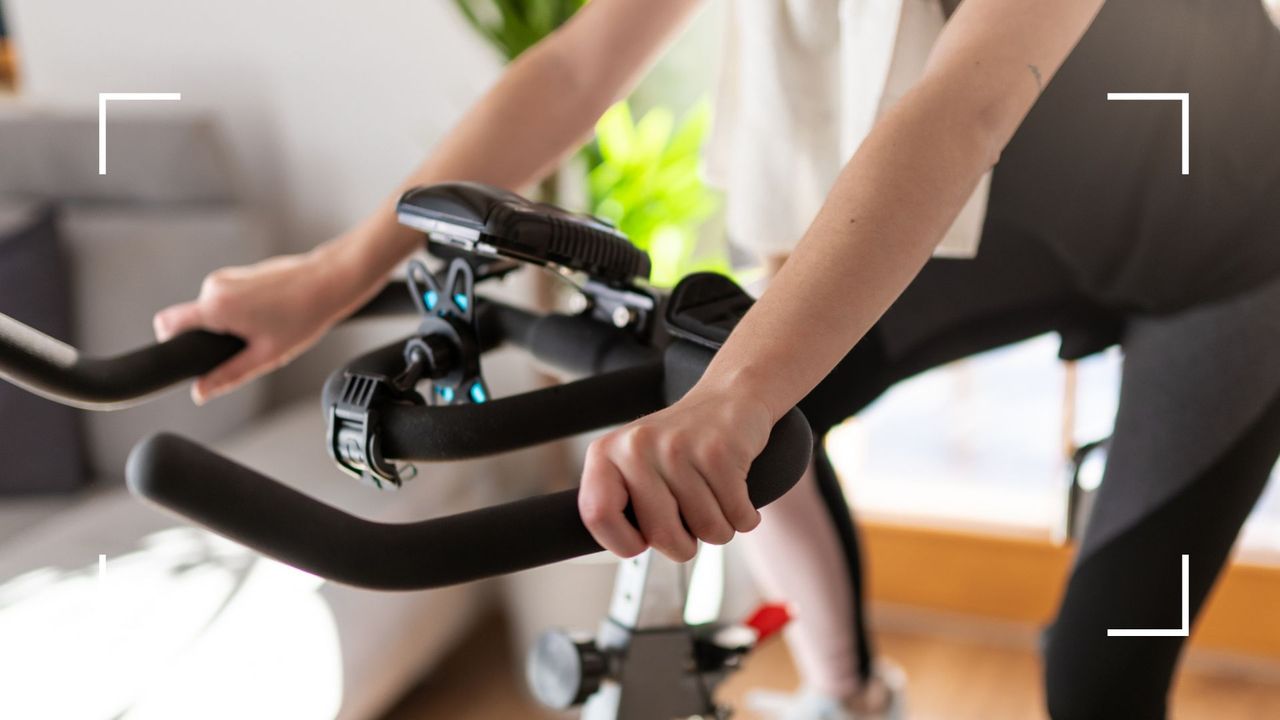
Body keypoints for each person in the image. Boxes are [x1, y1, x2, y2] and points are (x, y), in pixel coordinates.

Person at [155, 1, 1280, 718]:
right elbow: (575, 68)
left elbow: (965, 98)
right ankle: (849, 694)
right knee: (711, 370)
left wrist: (748, 389)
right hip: (1003, 230)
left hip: (1232, 252)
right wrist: (334, 274)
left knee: (1096, 677)